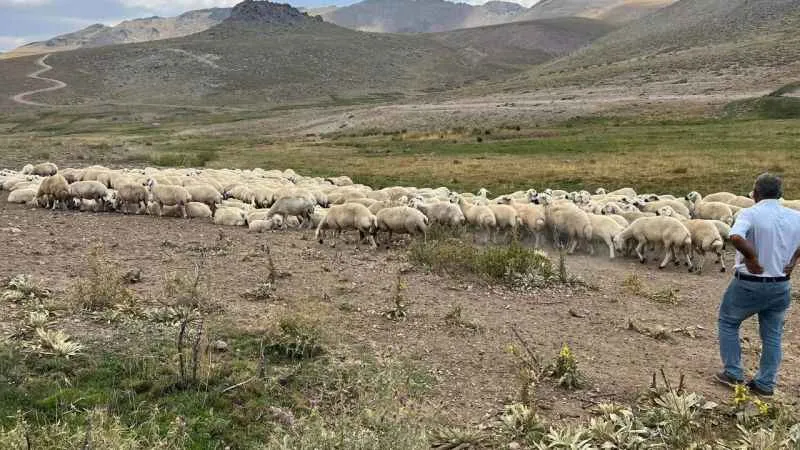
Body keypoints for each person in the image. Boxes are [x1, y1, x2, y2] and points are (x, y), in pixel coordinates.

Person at [716, 173, 800, 396]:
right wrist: (793, 260)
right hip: (781, 285)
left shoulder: (749, 213)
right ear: (781, 193)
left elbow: (734, 237)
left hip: (749, 284)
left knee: (728, 321)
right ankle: (765, 384)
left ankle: (733, 373)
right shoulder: (795, 216)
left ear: (756, 193)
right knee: (772, 335)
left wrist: (752, 258)